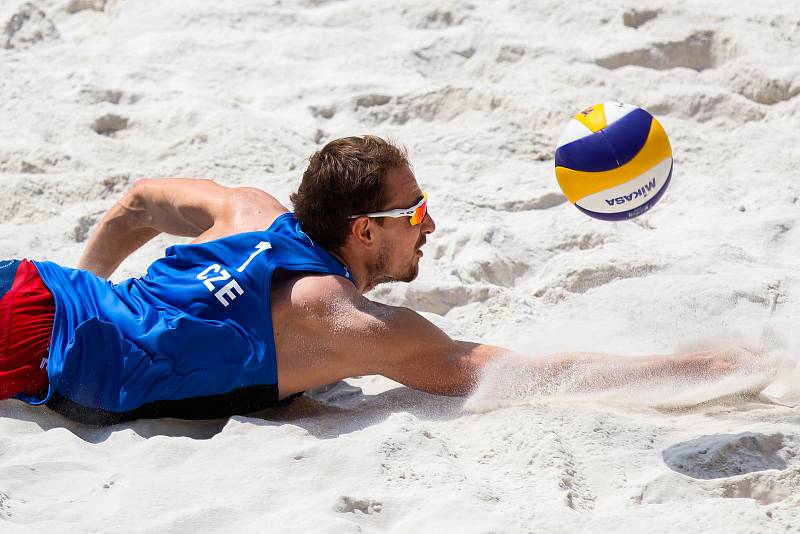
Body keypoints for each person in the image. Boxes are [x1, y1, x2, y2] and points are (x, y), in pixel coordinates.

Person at [0, 136, 756, 424]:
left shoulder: (248, 210)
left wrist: (78, 280)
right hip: (38, 342)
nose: (432, 224)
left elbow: (139, 200)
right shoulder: (345, 323)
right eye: (416, 210)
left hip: (36, 289)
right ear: (365, 230)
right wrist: (710, 367)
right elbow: (522, 375)